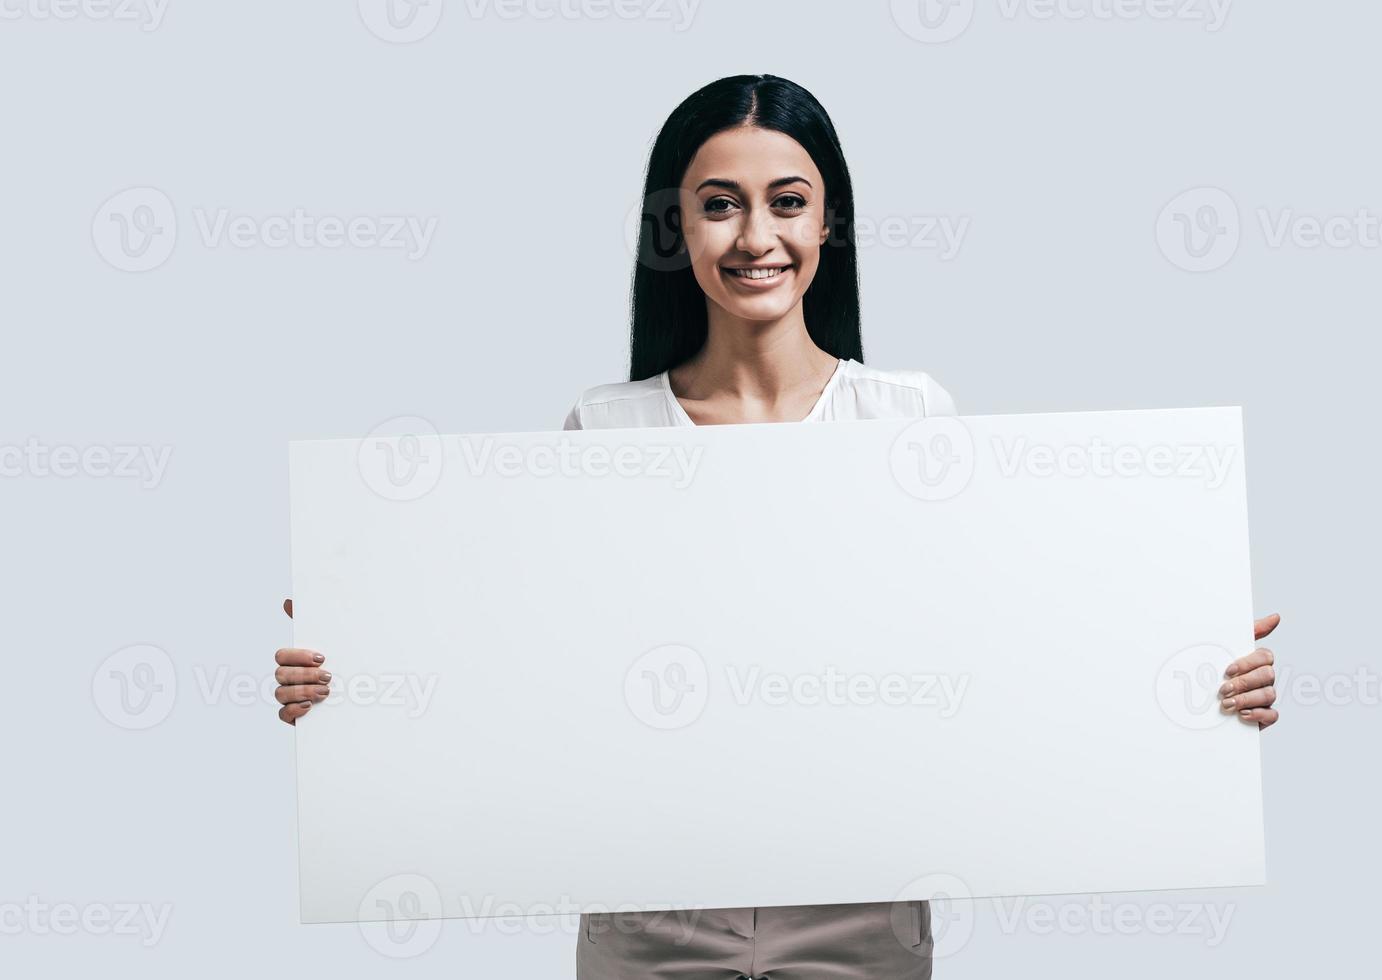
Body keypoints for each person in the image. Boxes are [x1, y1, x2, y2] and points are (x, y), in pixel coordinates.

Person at [273, 74, 1282, 979]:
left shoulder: (906, 420)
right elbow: (524, 660)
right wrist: (358, 665)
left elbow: (1001, 641)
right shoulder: (603, 427)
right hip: (647, 919)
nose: (756, 237)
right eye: (719, 206)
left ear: (828, 223)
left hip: (857, 916)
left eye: (786, 203)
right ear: (674, 229)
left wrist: (1187, 669)